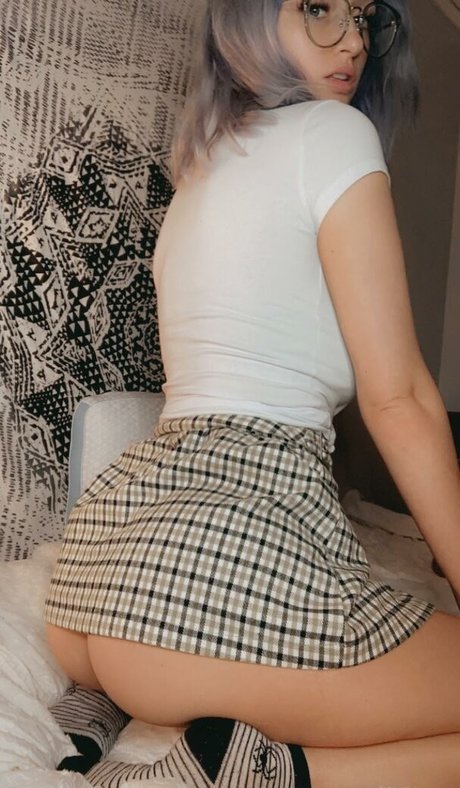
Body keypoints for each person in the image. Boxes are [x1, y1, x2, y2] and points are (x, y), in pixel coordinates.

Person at [44, 1, 460, 786]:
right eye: (317, 8)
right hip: (198, 594)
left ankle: (100, 714)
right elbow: (399, 398)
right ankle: (258, 771)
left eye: (364, 17)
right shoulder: (334, 134)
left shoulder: (202, 161)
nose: (353, 42)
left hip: (95, 588)